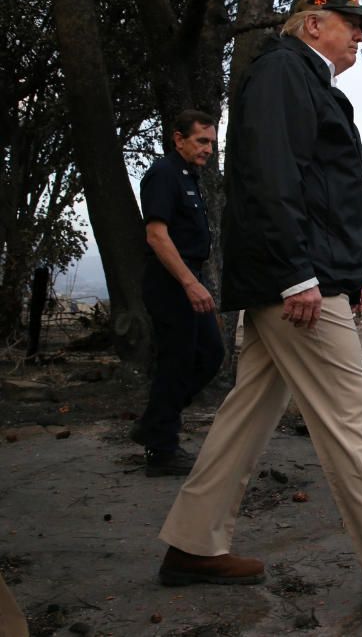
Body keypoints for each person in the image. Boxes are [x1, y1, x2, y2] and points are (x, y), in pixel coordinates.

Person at [154, 0, 362, 617]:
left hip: (302, 274)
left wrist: (345, 272)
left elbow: (316, 191)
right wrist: (298, 274)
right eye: (350, 22)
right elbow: (270, 176)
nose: (359, 34)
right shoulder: (282, 73)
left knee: (246, 415)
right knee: (354, 418)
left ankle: (192, 544)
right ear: (312, 24)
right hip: (296, 284)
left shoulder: (305, 81)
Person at [132, 110, 224, 477]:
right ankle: (161, 449)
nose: (207, 149)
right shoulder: (163, 175)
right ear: (178, 138)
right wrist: (189, 283)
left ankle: (155, 423)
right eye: (201, 141)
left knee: (210, 355)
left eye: (212, 143)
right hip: (172, 282)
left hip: (190, 278)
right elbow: (157, 235)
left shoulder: (190, 176)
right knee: (177, 361)